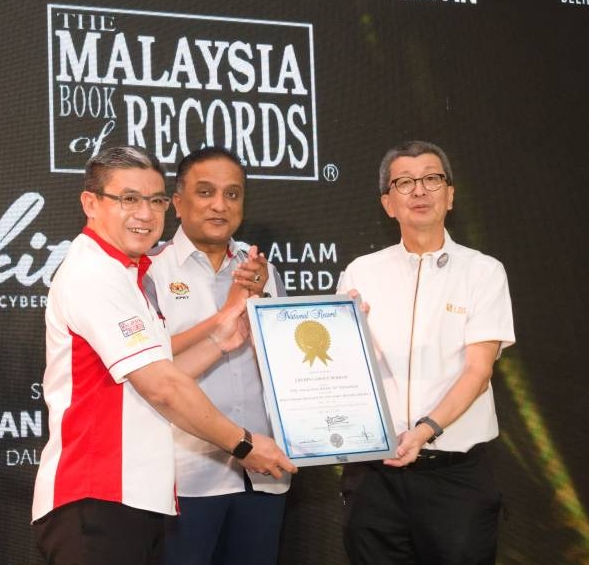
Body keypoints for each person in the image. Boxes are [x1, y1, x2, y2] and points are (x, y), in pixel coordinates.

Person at [31, 146, 296, 565]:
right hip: (97, 496)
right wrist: (243, 445)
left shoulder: (124, 274)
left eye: (154, 201)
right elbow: (162, 388)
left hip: (134, 498)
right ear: (90, 203)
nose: (145, 213)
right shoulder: (94, 274)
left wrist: (220, 341)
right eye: (128, 199)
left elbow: (157, 374)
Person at [337, 140, 515, 564]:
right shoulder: (362, 272)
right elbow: (343, 371)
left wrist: (424, 430)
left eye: (432, 179)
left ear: (450, 195)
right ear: (387, 203)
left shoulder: (483, 271)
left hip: (454, 478)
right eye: (404, 182)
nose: (420, 191)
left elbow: (479, 371)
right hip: (374, 478)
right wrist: (346, 334)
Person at [146, 146, 290, 565]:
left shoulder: (260, 269)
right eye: (205, 192)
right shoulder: (152, 268)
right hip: (184, 475)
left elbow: (282, 359)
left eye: (232, 194)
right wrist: (224, 317)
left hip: (262, 471)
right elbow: (145, 363)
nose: (219, 205)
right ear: (177, 202)